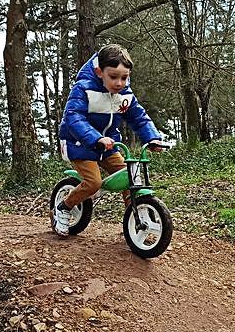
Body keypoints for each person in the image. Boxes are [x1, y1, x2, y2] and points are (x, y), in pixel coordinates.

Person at [54, 44, 164, 236]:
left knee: (131, 175)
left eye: (124, 77)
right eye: (113, 77)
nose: (119, 83)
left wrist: (152, 138)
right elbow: (73, 118)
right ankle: (64, 207)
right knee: (94, 183)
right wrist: (96, 138)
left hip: (109, 146)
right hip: (79, 144)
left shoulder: (125, 94)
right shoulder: (83, 89)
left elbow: (139, 117)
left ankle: (136, 218)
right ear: (99, 72)